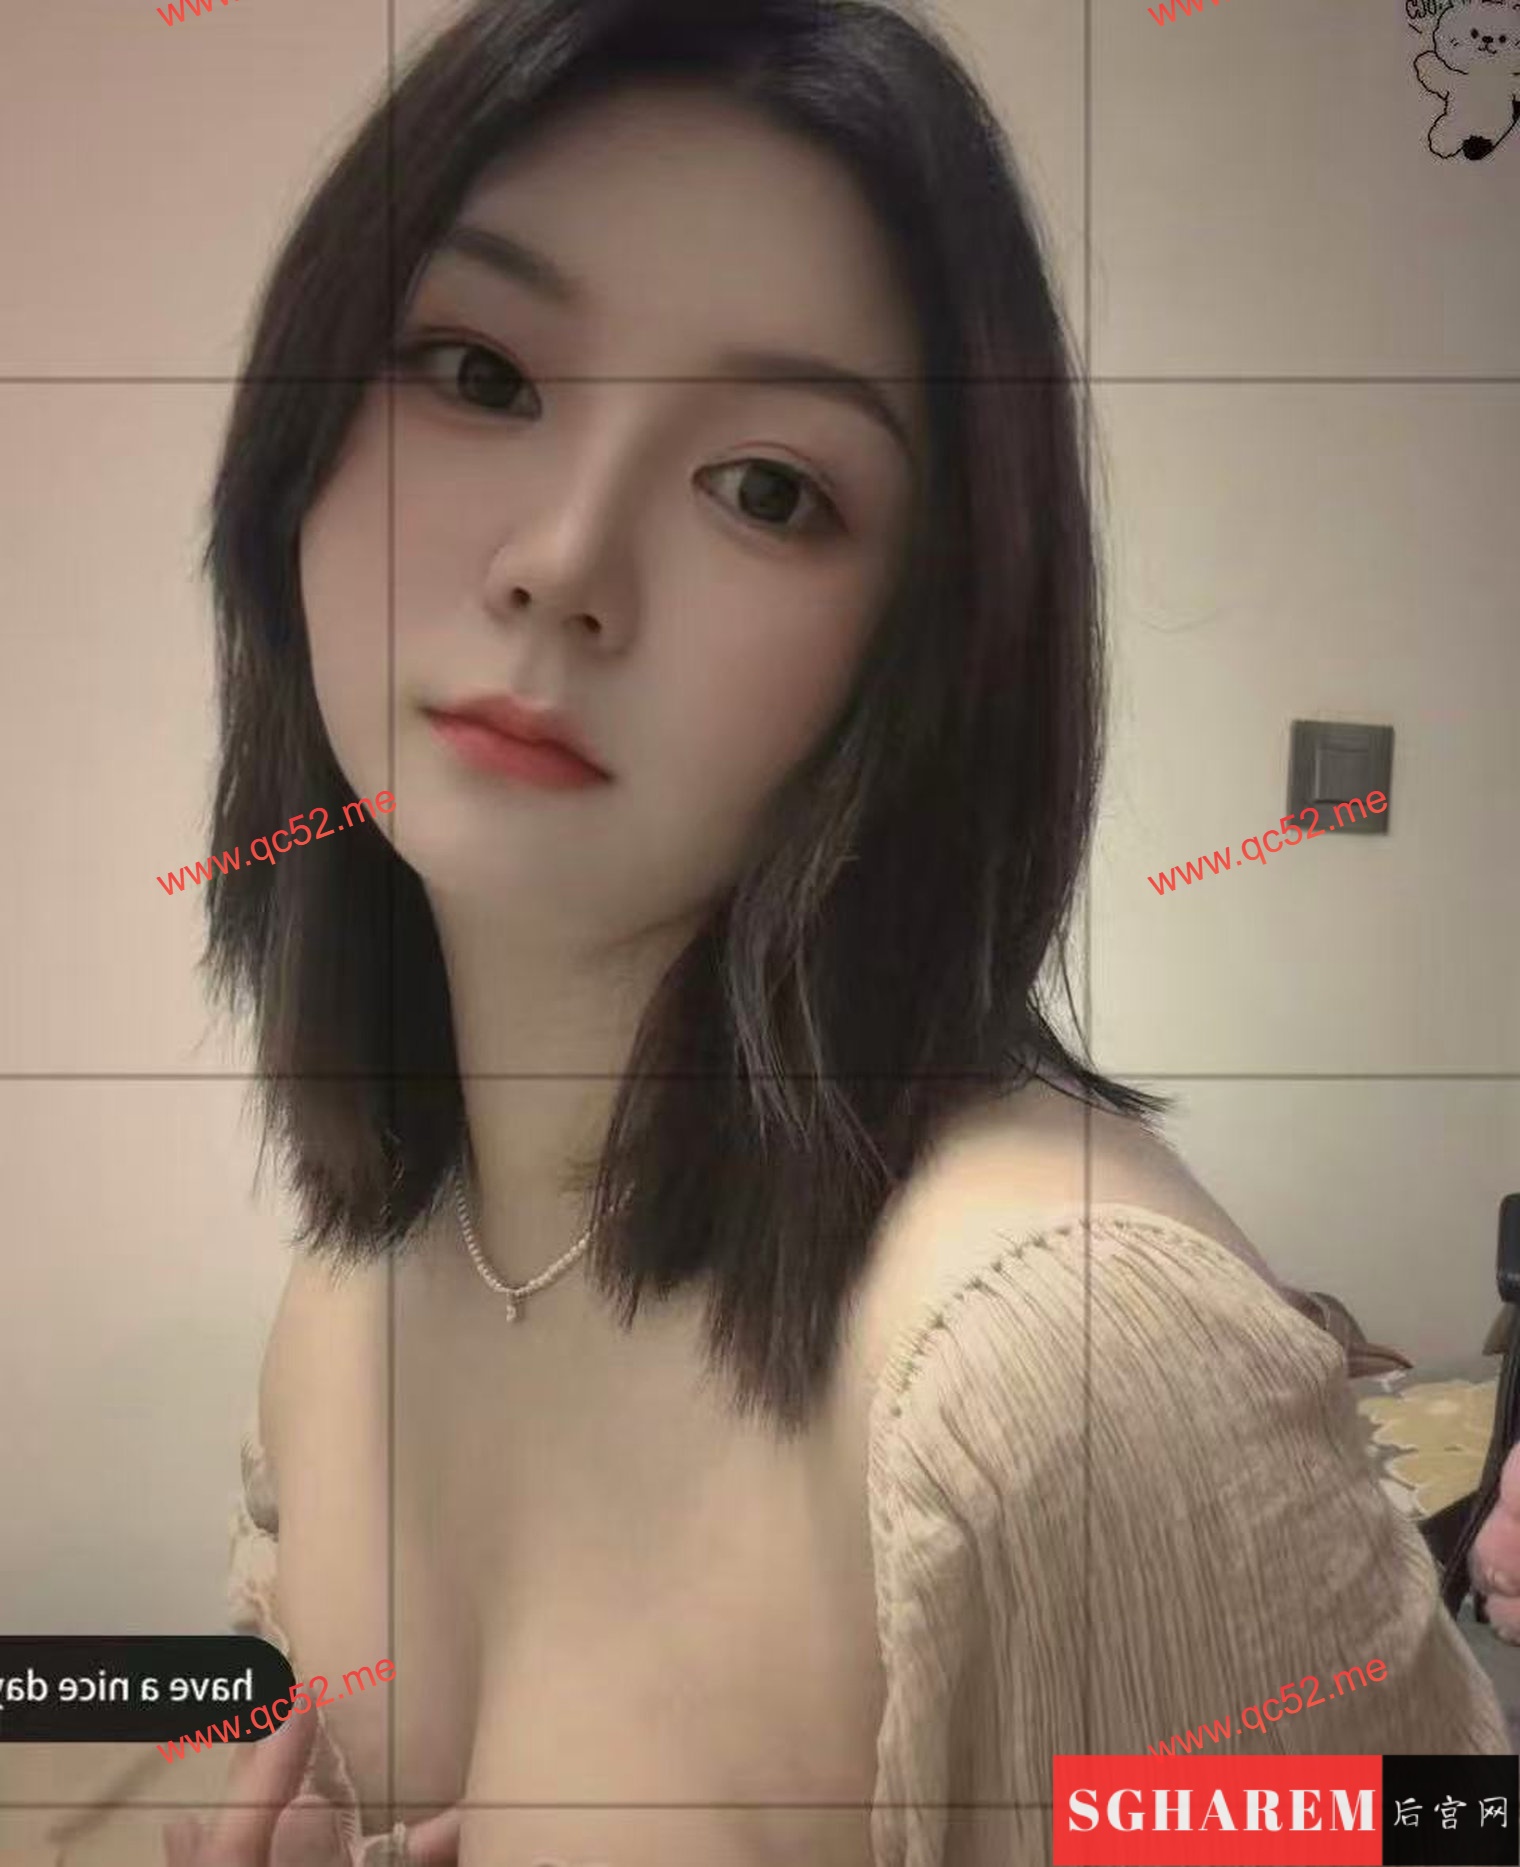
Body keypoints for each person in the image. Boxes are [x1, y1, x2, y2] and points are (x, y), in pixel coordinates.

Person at [163, 0, 1514, 1861]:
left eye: (769, 489)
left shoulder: (1062, 1379)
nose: (563, 559)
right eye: (477, 373)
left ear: (920, 650)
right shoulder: (358, 1291)